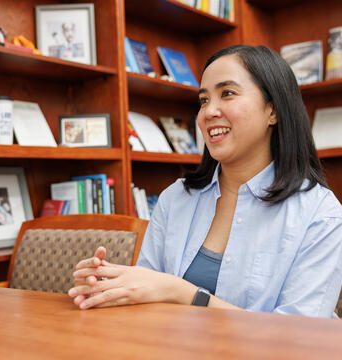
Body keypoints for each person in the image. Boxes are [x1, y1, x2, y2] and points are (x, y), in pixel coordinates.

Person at [68, 45, 342, 317]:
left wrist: (185, 294)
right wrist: (105, 288)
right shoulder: (175, 198)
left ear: (273, 111)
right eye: (203, 100)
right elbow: (147, 295)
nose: (208, 112)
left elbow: (303, 336)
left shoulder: (321, 214)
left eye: (227, 94)